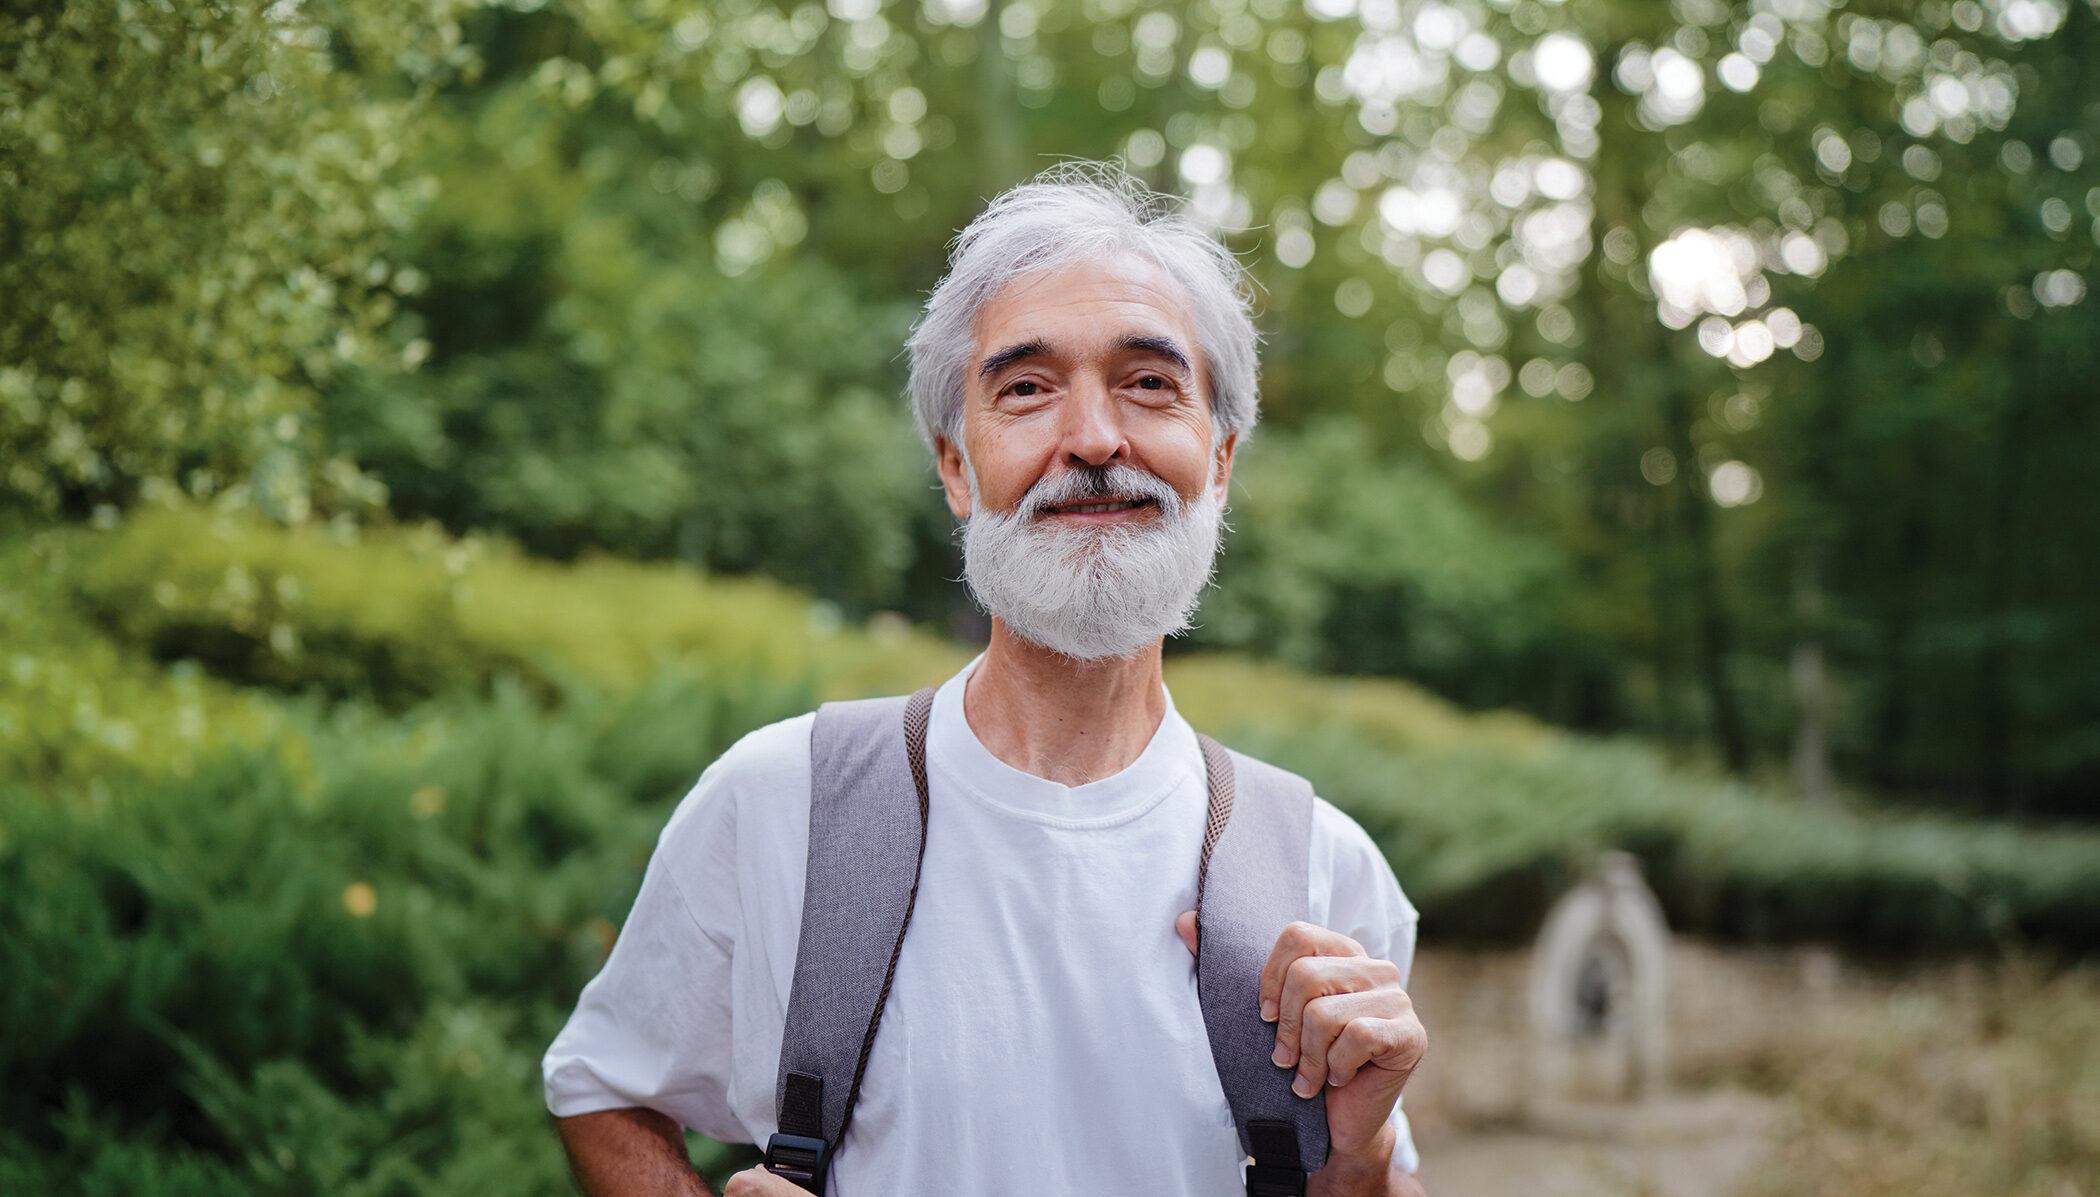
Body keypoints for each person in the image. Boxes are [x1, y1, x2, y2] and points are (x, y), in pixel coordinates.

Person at [542, 162, 1430, 1196]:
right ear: (957, 467)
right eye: (1026, 389)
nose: (1095, 439)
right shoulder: (781, 802)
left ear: (1220, 458)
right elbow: (603, 1087)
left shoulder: (1325, 868)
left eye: (1149, 383)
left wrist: (1360, 1156)